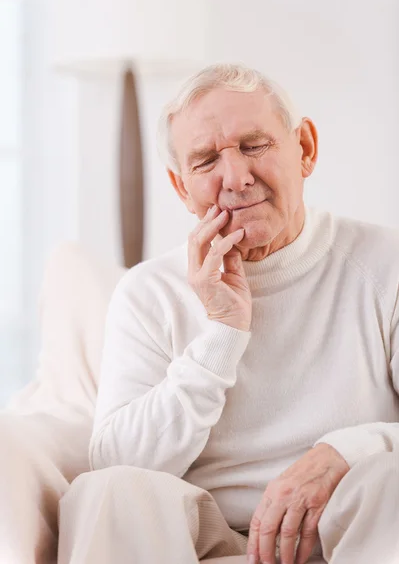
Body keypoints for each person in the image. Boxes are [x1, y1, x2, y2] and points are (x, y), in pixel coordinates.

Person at [58, 64, 399, 564]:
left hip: (349, 531)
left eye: (255, 145)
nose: (236, 178)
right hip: (201, 535)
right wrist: (222, 333)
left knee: (386, 478)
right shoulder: (149, 292)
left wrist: (349, 452)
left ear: (304, 148)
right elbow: (115, 463)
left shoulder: (383, 264)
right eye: (205, 161)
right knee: (106, 492)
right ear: (181, 188)